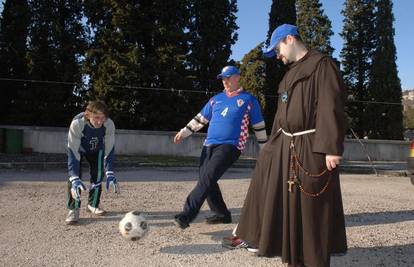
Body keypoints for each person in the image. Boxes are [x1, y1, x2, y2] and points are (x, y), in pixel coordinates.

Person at [222, 24, 348, 267]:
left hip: (313, 148)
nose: (277, 55)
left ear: (290, 39)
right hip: (287, 147)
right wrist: (270, 147)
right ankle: (294, 260)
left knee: (313, 213)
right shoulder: (289, 74)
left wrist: (331, 147)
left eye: (277, 48)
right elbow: (282, 116)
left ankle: (315, 262)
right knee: (289, 208)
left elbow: (330, 106)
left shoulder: (323, 66)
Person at [173, 65, 267, 229]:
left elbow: (258, 125)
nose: (225, 81)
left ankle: (186, 214)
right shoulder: (216, 99)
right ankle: (222, 214)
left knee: (207, 178)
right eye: (223, 78)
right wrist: (184, 132)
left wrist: (264, 148)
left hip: (231, 145)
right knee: (207, 179)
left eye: (228, 77)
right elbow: (201, 119)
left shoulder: (248, 100)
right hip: (209, 144)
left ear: (237, 77)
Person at [65, 100, 119, 224]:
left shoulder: (109, 124)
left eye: (102, 118)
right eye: (96, 118)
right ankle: (73, 209)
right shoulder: (77, 123)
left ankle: (93, 204)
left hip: (97, 149)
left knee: (98, 175)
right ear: (88, 115)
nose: (99, 122)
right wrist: (73, 175)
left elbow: (110, 148)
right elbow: (73, 151)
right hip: (78, 149)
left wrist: (110, 171)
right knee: (74, 179)